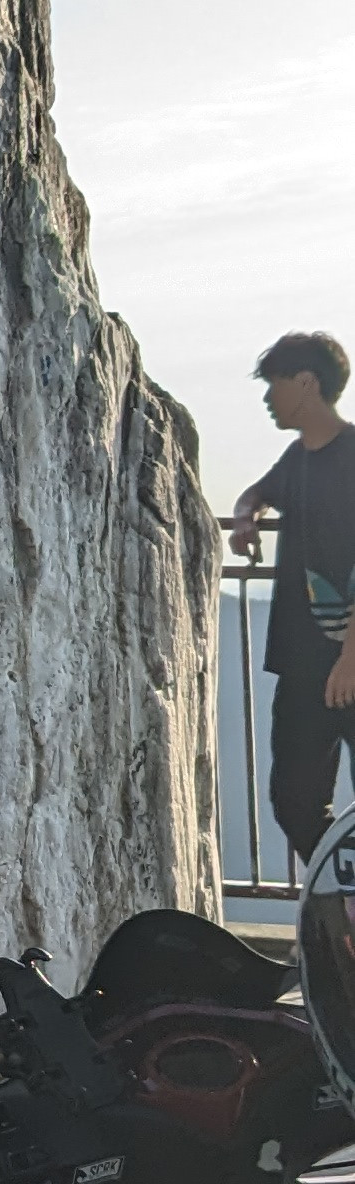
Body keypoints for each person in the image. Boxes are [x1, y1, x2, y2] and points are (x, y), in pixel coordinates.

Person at [228, 331, 355, 865]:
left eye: (274, 384)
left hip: (349, 662)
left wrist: (350, 657)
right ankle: (344, 893)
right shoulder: (297, 457)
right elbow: (256, 491)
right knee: (294, 802)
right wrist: (245, 517)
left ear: (306, 383)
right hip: (303, 664)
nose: (266, 398)